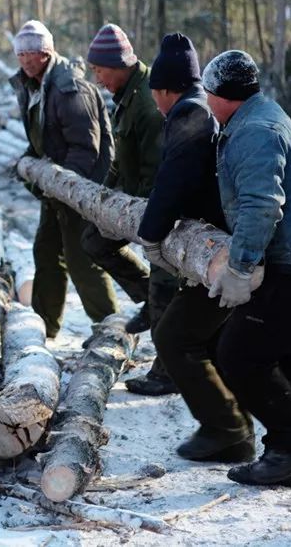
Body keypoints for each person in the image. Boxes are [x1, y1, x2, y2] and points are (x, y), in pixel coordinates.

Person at [202, 49, 291, 487]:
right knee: (278, 360)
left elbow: (261, 206)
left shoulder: (255, 131)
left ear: (223, 95)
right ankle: (285, 459)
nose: (205, 101)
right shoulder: (260, 116)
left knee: (238, 354)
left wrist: (240, 269)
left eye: (208, 93)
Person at [137, 33, 254, 464]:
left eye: (155, 94)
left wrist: (151, 233)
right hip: (223, 242)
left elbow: (172, 181)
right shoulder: (202, 109)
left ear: (166, 89)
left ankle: (227, 430)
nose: (154, 103)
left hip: (217, 250)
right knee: (215, 340)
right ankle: (232, 430)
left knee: (174, 336)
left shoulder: (189, 115)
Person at [81, 23, 178, 396]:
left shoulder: (148, 102)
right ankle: (148, 297)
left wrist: (151, 219)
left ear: (119, 65)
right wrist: (104, 200)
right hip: (133, 203)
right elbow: (123, 159)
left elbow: (161, 168)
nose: (98, 78)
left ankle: (168, 371)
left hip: (159, 207)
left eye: (100, 70)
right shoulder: (124, 94)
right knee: (94, 240)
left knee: (167, 284)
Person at [10, 20, 119, 338]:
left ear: (48, 52)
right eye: (21, 54)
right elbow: (44, 137)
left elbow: (87, 149)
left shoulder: (69, 87)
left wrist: (65, 189)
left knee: (81, 258)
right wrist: (30, 167)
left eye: (34, 53)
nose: (27, 60)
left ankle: (110, 329)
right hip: (56, 186)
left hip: (81, 186)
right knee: (45, 251)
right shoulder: (33, 85)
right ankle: (43, 328)